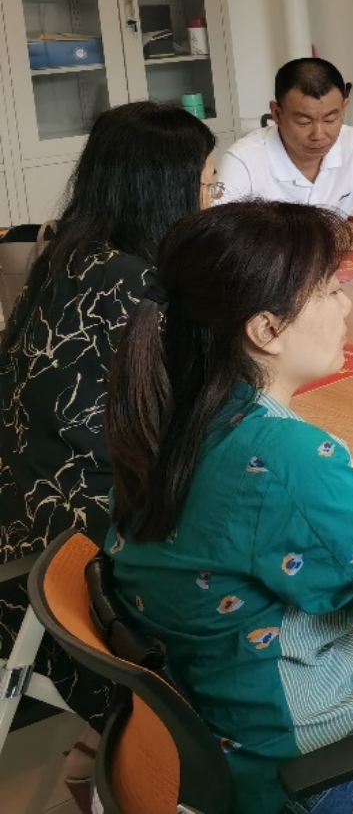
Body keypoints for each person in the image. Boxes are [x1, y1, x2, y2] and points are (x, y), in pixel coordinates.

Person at [103, 202, 353, 814]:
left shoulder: (168, 419)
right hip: (317, 766)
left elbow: (263, 511)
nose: (347, 304)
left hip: (218, 729)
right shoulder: (288, 456)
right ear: (266, 329)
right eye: (330, 291)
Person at [0, 102, 215, 810]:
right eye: (206, 182)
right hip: (74, 563)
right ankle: (149, 761)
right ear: (165, 189)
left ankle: (97, 754)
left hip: (22, 532)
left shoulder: (68, 254)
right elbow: (191, 422)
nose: (213, 196)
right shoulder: (138, 284)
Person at [215, 57, 353, 244]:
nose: (319, 134)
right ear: (277, 113)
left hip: (343, 270)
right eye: (304, 121)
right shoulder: (243, 161)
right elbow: (216, 239)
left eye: (330, 119)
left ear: (344, 108)